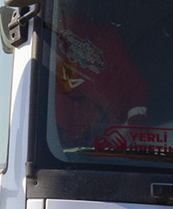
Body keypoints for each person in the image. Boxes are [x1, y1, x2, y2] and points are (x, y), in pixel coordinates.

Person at [51, 10, 150, 150]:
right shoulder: (46, 33)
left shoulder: (107, 40)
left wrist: (132, 126)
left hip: (101, 144)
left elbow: (136, 86)